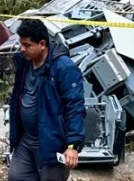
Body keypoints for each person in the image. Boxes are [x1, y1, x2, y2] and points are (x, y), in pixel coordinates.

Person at [7, 18, 86, 181]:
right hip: (26, 140)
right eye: (21, 44)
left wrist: (73, 145)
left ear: (42, 44)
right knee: (16, 177)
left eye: (27, 45)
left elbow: (75, 107)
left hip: (51, 143)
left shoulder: (64, 68)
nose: (22, 49)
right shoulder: (24, 62)